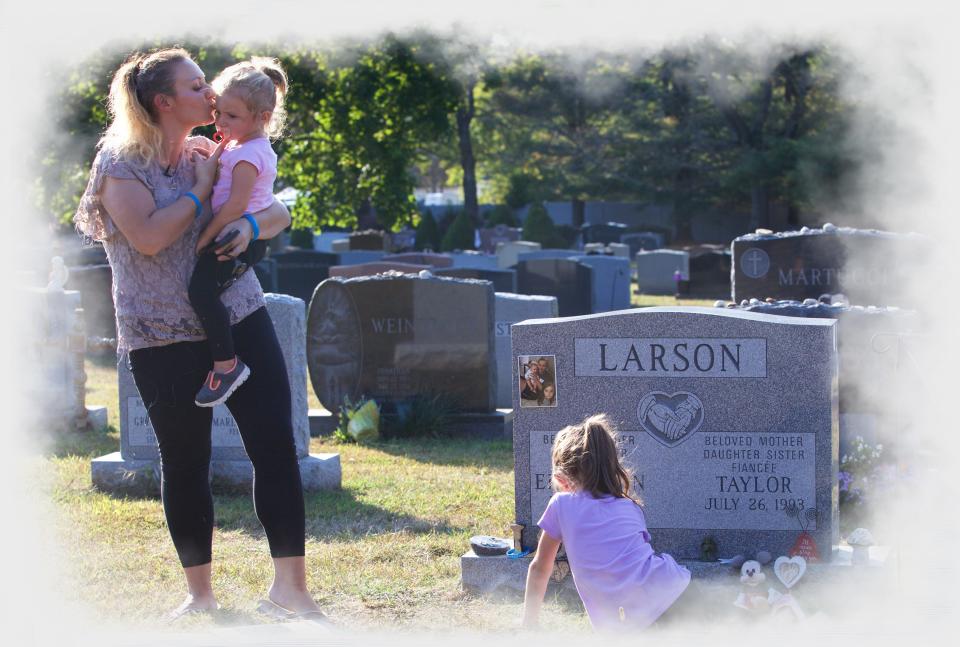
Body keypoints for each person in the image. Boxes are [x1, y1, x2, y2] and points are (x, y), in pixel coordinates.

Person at [73, 47, 327, 622]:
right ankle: (201, 596)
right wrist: (201, 188)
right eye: (195, 87)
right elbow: (148, 238)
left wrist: (248, 222)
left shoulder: (213, 148)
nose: (210, 96)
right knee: (185, 462)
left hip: (237, 314)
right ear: (164, 103)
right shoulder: (120, 164)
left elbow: (277, 210)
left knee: (276, 448)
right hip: (159, 332)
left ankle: (291, 589)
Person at [521, 413, 691, 631]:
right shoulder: (629, 506)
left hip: (643, 618)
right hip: (675, 590)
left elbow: (539, 568)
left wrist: (529, 623)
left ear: (563, 477)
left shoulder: (561, 504)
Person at [187, 57, 286, 407]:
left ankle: (226, 365)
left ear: (262, 118)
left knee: (200, 291)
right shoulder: (238, 145)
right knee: (204, 291)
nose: (221, 122)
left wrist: (204, 238)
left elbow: (233, 206)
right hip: (233, 234)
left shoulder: (250, 154)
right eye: (219, 113)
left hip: (235, 239)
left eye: (232, 116)